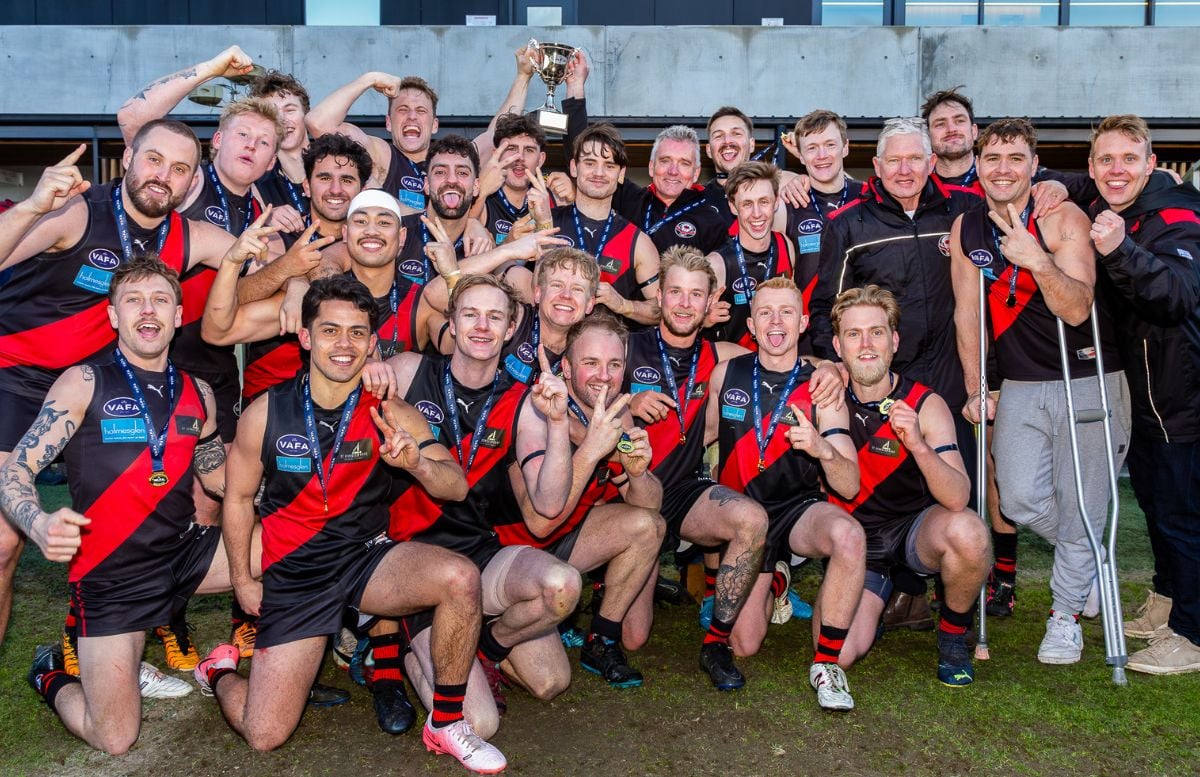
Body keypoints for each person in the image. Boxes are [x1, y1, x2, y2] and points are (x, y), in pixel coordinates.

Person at [198, 274, 506, 772]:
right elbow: (235, 500)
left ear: (373, 343)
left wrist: (417, 465)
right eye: (331, 331)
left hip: (365, 558)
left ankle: (447, 723)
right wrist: (241, 579)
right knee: (264, 735)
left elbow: (456, 486)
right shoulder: (264, 413)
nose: (344, 344)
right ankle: (218, 671)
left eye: (358, 333)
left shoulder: (389, 409)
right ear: (305, 337)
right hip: (297, 573)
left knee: (460, 577)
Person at [0, 122, 245, 649]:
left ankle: (102, 638)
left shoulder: (189, 235)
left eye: (180, 169)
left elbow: (260, 263)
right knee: (2, 543)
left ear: (192, 182)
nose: (164, 177)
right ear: (129, 155)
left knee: (132, 512)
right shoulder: (76, 210)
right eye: (154, 160)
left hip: (103, 383)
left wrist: (294, 285)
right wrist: (32, 208)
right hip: (15, 375)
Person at [2, 256, 251, 754]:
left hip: (183, 555)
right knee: (114, 736)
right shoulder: (83, 382)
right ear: (114, 315)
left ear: (179, 315)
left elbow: (215, 477)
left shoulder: (198, 393)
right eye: (133, 300)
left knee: (290, 549)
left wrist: (278, 492)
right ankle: (50, 671)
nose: (147, 310)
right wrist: (39, 521)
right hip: (112, 576)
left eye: (160, 299)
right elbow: (14, 471)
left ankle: (273, 673)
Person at [950, 117, 1130, 665]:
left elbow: (1077, 306)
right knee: (1022, 499)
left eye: (1015, 159)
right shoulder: (967, 228)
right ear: (978, 167)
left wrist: (1036, 259)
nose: (1003, 169)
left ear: (1034, 166)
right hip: (1022, 382)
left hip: (1087, 377)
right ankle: (1087, 554)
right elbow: (966, 314)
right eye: (992, 159)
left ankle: (1065, 615)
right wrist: (976, 387)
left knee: (1083, 501)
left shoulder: (1062, 216)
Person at [385, 273, 580, 716]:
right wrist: (370, 367)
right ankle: (407, 651)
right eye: (470, 314)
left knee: (554, 659)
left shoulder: (522, 402)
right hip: (413, 560)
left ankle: (484, 648)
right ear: (451, 323)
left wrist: (556, 425)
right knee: (478, 722)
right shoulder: (407, 371)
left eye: (495, 317)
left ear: (511, 329)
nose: (482, 326)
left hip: (479, 554)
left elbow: (549, 503)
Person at [707, 277, 866, 710]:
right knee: (744, 645)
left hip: (797, 511)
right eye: (765, 313)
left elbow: (849, 483)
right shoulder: (727, 374)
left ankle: (827, 665)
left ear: (802, 323)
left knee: (849, 535)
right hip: (745, 519)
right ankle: (778, 579)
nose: (776, 322)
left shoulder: (822, 385)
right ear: (752, 326)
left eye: (786, 313)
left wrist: (822, 448)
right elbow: (697, 442)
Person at [826, 285, 990, 686]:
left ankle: (952, 634)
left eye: (877, 332)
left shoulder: (925, 403)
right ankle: (881, 602)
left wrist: (916, 443)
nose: (866, 344)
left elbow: (957, 496)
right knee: (839, 654)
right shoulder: (826, 394)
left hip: (915, 532)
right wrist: (820, 368)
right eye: (853, 334)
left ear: (894, 340)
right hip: (857, 543)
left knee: (969, 532)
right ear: (837, 345)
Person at [1087, 114, 1200, 675]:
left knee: (1183, 512)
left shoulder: (1176, 216)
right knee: (1155, 505)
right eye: (1105, 160)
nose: (1116, 170)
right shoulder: (1119, 207)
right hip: (1147, 393)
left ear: (1151, 164)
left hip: (1183, 392)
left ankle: (1193, 633)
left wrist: (1119, 251)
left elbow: (1177, 296)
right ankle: (1168, 598)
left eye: (1129, 159)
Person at [500, 312, 665, 687]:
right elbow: (541, 522)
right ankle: (490, 633)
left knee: (648, 525)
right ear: (568, 369)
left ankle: (601, 640)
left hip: (564, 543)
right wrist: (594, 449)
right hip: (511, 552)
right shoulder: (539, 407)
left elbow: (651, 505)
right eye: (591, 363)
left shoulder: (617, 411)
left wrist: (637, 471)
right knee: (548, 683)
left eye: (614, 364)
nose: (604, 376)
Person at [304, 47, 538, 212]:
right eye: (403, 110)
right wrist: (369, 79)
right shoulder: (379, 154)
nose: (412, 116)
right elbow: (318, 123)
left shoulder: (455, 159)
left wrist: (523, 76)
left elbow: (499, 132)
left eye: (421, 111)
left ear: (435, 124)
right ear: (388, 123)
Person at [543, 124, 661, 327]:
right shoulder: (545, 222)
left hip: (606, 353)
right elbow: (511, 281)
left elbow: (662, 309)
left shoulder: (638, 242)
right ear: (573, 167)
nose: (599, 172)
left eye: (609, 165)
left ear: (621, 174)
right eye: (590, 163)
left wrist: (624, 305)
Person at [704, 161, 795, 350]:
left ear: (776, 201)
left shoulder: (785, 245)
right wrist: (703, 320)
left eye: (764, 202)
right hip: (734, 367)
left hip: (776, 361)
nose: (756, 214)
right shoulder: (717, 264)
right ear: (733, 207)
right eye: (747, 204)